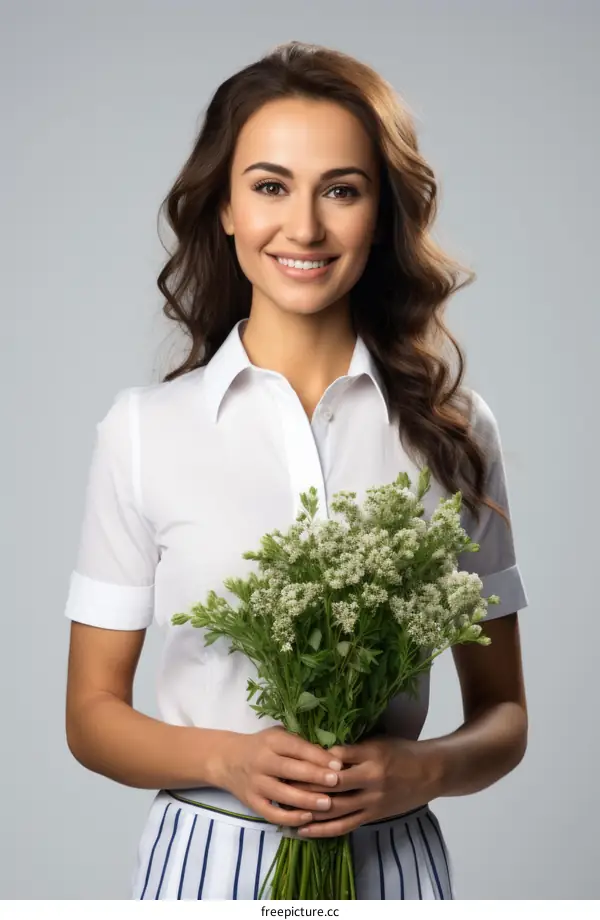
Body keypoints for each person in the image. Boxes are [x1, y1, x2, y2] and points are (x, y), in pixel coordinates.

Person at [64, 40, 529, 901]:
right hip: (202, 865)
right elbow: (91, 717)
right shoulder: (142, 432)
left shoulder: (455, 432)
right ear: (225, 207)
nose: (305, 228)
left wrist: (419, 770)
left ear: (381, 213)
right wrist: (226, 759)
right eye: (270, 187)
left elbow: (505, 715)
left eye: (341, 190)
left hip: (395, 864)